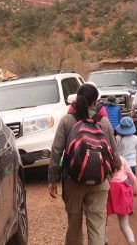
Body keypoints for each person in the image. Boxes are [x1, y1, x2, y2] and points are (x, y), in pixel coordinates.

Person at [48, 83, 121, 245]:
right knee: (97, 226)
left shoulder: (67, 121)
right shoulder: (104, 122)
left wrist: (53, 178)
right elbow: (115, 155)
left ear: (77, 99)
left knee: (74, 224)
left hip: (72, 180)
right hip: (100, 181)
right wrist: (115, 170)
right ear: (96, 102)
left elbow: (56, 151)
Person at [106, 155, 137, 245]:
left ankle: (105, 241)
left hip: (108, 191)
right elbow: (132, 177)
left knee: (103, 223)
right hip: (121, 191)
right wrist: (135, 191)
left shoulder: (104, 158)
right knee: (125, 225)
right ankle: (132, 242)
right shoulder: (122, 159)